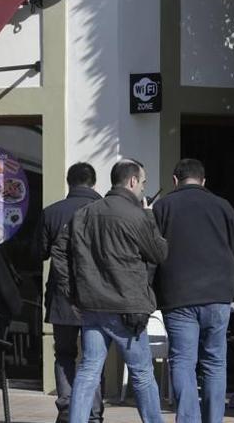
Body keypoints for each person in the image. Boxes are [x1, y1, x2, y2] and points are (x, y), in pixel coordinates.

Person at [59, 158, 168, 423]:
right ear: (132, 181)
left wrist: (72, 294)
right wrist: (149, 215)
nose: (143, 188)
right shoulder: (136, 215)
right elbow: (160, 253)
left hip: (92, 306)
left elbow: (60, 252)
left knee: (88, 371)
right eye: (143, 182)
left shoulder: (84, 213)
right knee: (142, 373)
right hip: (126, 308)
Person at [152, 158, 234, 423]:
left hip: (178, 297)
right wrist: (233, 288)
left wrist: (154, 292)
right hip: (218, 297)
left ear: (174, 180)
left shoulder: (162, 207)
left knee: (183, 362)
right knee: (215, 363)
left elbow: (151, 255)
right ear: (204, 180)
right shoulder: (222, 206)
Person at [35, 162, 104, 423]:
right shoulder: (104, 211)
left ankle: (66, 408)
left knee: (64, 353)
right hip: (97, 295)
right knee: (94, 356)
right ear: (93, 183)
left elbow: (39, 252)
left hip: (62, 295)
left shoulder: (52, 212)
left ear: (68, 182)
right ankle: (94, 413)